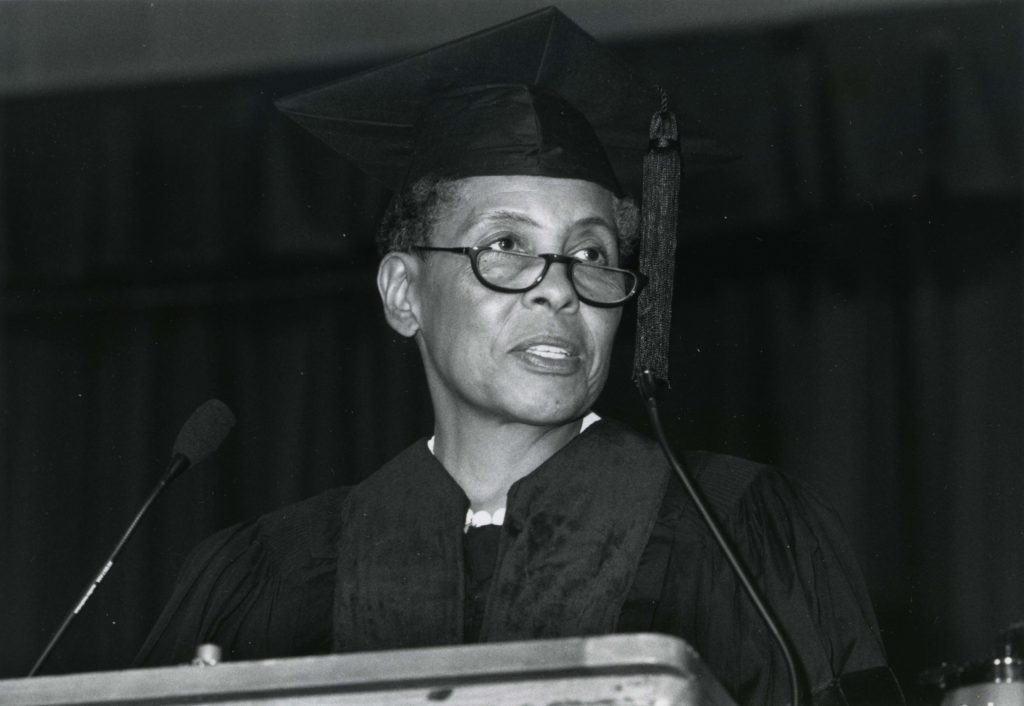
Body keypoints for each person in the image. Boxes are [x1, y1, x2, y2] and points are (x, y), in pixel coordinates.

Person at [135, 9, 902, 705]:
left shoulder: (739, 534)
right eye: (506, 246)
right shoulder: (270, 570)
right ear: (404, 295)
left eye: (591, 253)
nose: (559, 291)